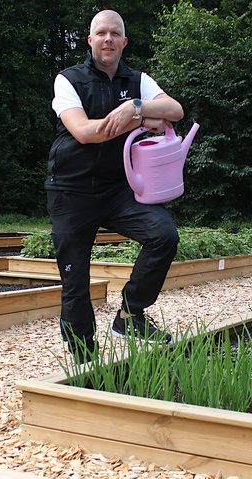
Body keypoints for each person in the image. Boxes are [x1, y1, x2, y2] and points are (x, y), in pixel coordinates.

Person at [45, 9, 185, 362]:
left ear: (124, 41)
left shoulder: (137, 80)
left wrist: (135, 105)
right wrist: (138, 117)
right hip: (71, 189)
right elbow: (84, 132)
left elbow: (175, 110)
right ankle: (83, 359)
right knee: (75, 278)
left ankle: (130, 315)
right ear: (90, 40)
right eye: (101, 33)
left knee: (163, 235)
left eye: (115, 34)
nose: (108, 39)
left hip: (118, 189)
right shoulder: (68, 79)